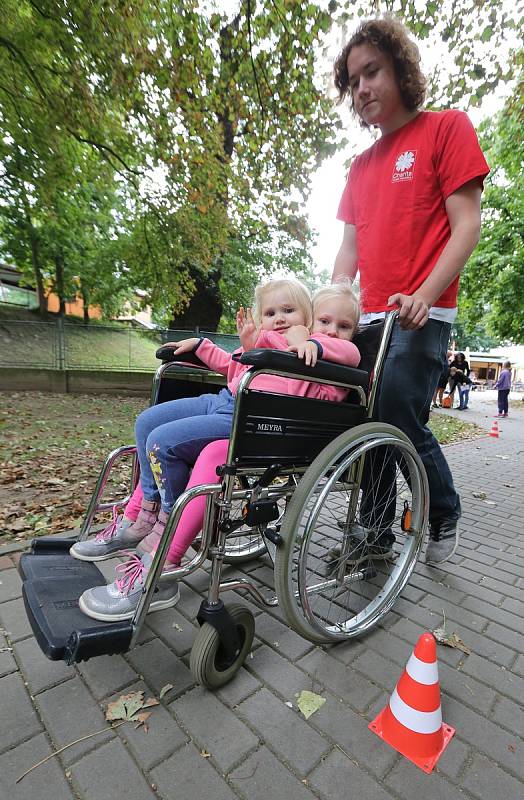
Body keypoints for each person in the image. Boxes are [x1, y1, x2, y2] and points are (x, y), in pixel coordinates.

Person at [76, 282, 362, 621]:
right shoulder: (286, 343)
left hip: (268, 427)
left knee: (192, 450)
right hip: (236, 407)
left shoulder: (331, 354)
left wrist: (308, 340)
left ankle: (165, 557)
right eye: (325, 322)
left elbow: (345, 353)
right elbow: (235, 367)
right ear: (313, 318)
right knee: (151, 427)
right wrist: (208, 345)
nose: (333, 331)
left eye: (344, 326)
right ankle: (142, 516)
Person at [332, 15, 489, 565]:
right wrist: (327, 304)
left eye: (371, 72)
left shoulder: (447, 128)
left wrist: (424, 292)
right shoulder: (359, 166)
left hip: (424, 314)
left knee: (398, 411)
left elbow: (466, 226)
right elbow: (348, 252)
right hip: (370, 320)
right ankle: (374, 534)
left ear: (399, 67)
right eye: (353, 82)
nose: (362, 89)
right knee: (363, 421)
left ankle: (442, 510)